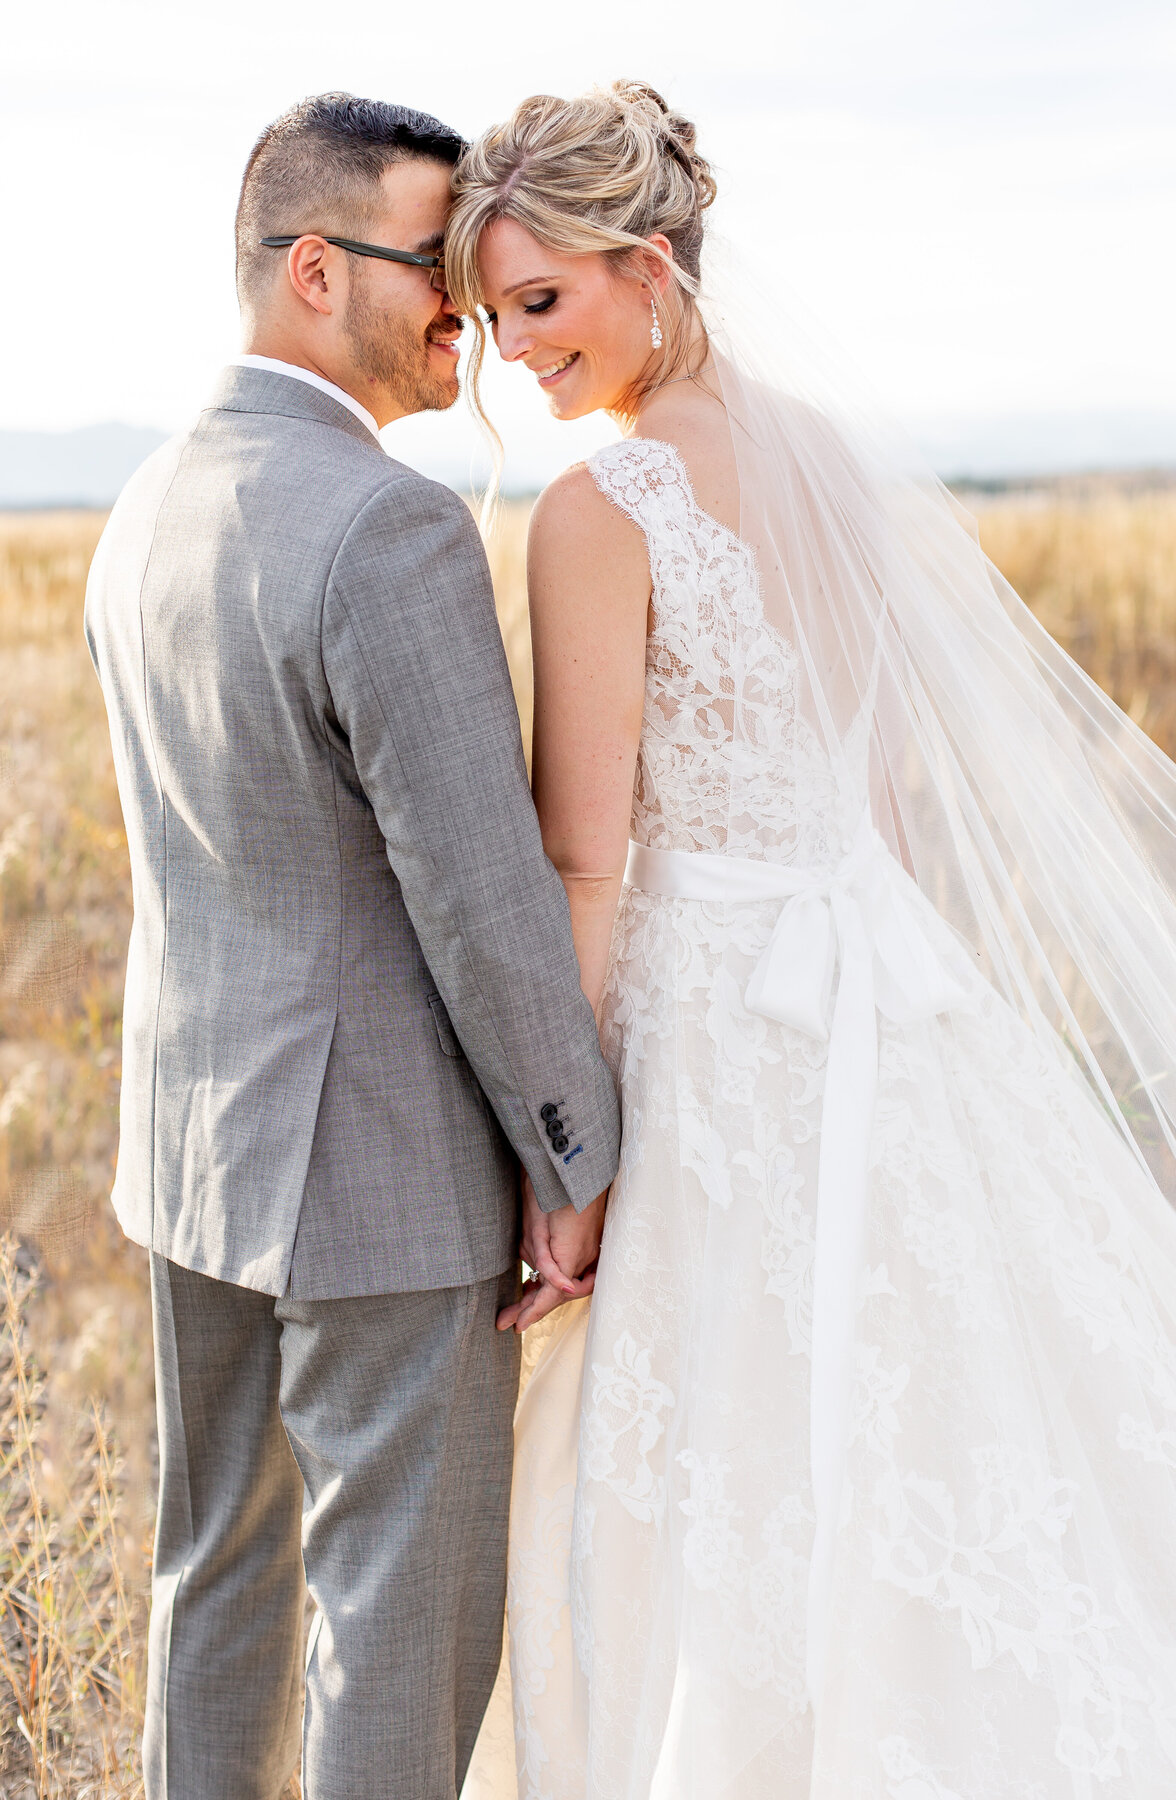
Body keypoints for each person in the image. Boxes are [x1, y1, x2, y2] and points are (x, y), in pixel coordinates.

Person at [446, 81, 1176, 1799]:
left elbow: (586, 861)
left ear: (650, 262)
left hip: (722, 1030)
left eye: (540, 301)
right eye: (487, 319)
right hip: (898, 1001)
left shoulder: (598, 508)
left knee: (730, 1449)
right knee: (943, 1416)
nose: (514, 354)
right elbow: (893, 799)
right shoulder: (838, 464)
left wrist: (571, 1161)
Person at [84, 92, 618, 1800]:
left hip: (188, 1160)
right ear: (318, 269)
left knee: (214, 1584)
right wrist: (573, 1146)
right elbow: (481, 890)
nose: (460, 315)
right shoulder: (386, 528)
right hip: (382, 1184)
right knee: (397, 1623)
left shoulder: (143, 505)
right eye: (434, 272)